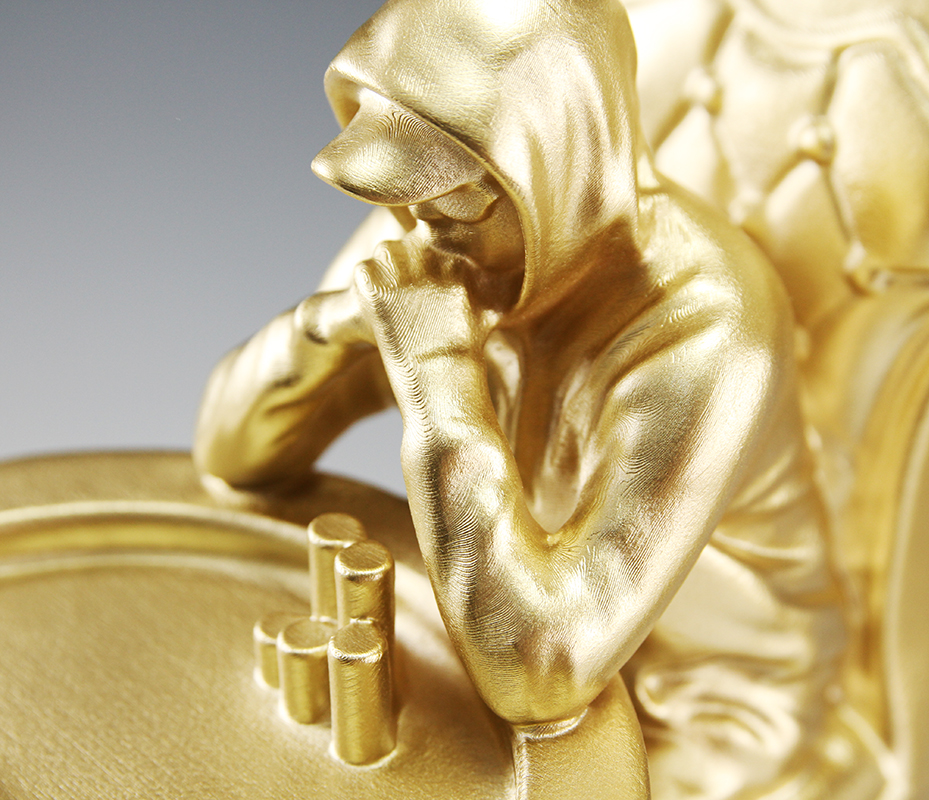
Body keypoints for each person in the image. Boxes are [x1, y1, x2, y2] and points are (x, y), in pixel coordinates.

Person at [194, 1, 852, 796]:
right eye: (404, 195)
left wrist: (438, 375)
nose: (421, 226)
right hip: (496, 626)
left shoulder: (709, 326)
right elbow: (228, 456)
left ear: (559, 160)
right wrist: (323, 329)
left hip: (702, 704)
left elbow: (543, 671)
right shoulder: (441, 236)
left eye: (457, 197)